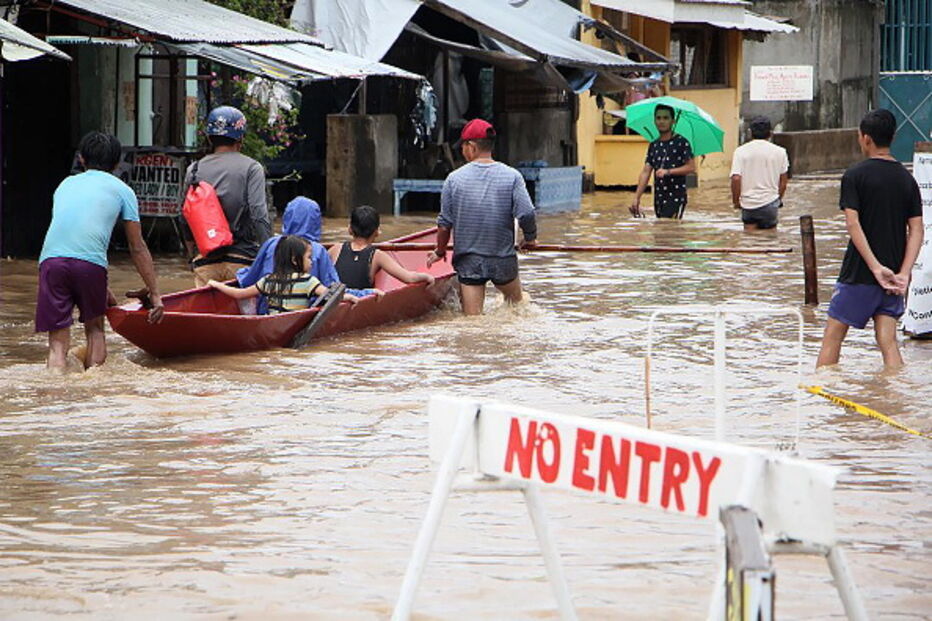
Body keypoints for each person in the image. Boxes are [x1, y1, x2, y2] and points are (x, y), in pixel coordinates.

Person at [35, 131, 164, 371]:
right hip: (90, 266)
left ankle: (54, 390)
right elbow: (137, 247)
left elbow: (72, 238)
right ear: (117, 164)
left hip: (51, 262)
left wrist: (102, 287)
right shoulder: (123, 190)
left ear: (81, 159)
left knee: (57, 343)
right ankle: (94, 390)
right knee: (95, 329)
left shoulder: (65, 185)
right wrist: (155, 293)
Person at [816, 109, 924, 368]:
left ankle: (820, 398)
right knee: (888, 341)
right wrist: (905, 273)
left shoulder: (854, 175)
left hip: (860, 274)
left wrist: (875, 268)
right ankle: (895, 397)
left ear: (865, 139)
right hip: (894, 277)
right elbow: (917, 230)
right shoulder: (907, 179)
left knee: (833, 337)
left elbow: (853, 224)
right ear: (893, 137)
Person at [426, 118, 537, 315]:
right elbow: (527, 213)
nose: (461, 151)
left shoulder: (454, 179)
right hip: (502, 259)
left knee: (473, 322)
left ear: (472, 147)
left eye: (463, 146)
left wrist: (440, 252)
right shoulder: (512, 176)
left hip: (469, 262)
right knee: (518, 307)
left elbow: (444, 225)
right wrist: (530, 239)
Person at [182, 106, 272, 287]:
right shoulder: (252, 168)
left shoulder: (194, 169)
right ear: (240, 138)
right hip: (242, 260)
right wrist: (269, 254)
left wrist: (191, 253)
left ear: (209, 137)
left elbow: (184, 216)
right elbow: (259, 214)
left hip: (205, 261)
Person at [236, 196, 365, 314]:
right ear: (316, 221)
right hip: (303, 313)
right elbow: (333, 290)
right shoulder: (317, 250)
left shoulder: (271, 244)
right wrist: (367, 293)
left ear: (287, 218)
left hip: (267, 311)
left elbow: (249, 279)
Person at [209, 235, 358, 313]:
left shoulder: (269, 280)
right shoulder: (308, 281)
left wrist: (215, 284)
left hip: (270, 325)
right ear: (295, 260)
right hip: (292, 325)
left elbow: (239, 294)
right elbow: (330, 295)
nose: (312, 262)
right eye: (308, 257)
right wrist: (350, 297)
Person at [329, 205, 435, 296]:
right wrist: (427, 277)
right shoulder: (378, 255)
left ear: (349, 229)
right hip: (358, 301)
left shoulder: (335, 249)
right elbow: (409, 278)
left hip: (335, 299)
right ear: (377, 232)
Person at [629, 104, 696, 219]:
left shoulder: (681, 142)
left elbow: (690, 167)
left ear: (673, 121)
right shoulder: (654, 145)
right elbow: (646, 172)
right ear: (654, 121)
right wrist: (636, 198)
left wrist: (668, 172)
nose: (662, 121)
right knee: (661, 232)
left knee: (672, 230)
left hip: (676, 197)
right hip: (659, 198)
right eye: (658, 118)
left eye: (665, 118)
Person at [730, 116, 789, 231]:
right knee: (770, 240)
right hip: (770, 203)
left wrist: (736, 202)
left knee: (750, 242)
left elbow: (736, 179)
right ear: (770, 133)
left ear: (750, 133)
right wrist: (777, 199)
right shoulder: (780, 152)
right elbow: (783, 181)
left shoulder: (740, 151)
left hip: (748, 204)